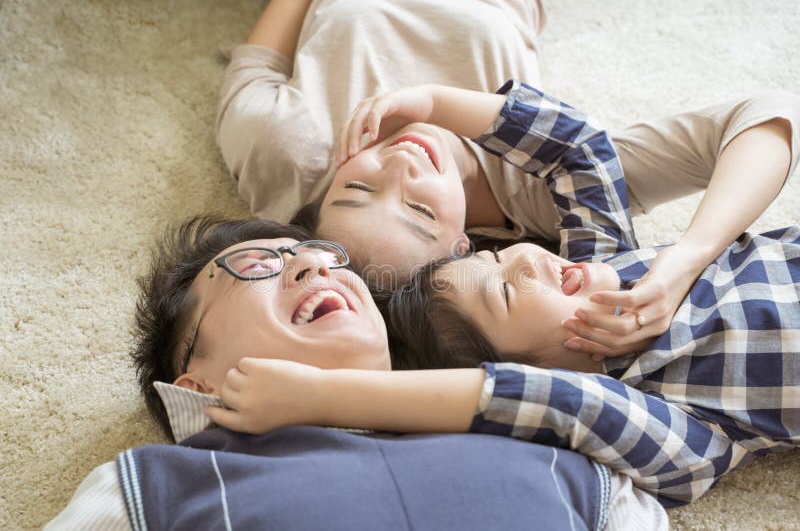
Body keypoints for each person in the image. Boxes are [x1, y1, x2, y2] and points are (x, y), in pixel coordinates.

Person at [200, 82, 800, 508]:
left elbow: (580, 149)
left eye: (498, 256)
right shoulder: (666, 413)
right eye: (509, 293)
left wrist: (434, 101)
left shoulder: (597, 262)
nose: (533, 257)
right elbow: (552, 402)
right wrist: (326, 396)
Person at [217, 0, 800, 357]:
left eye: (359, 186)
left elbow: (255, 63)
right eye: (420, 211)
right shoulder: (546, 190)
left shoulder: (295, 157)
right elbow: (766, 115)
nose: (401, 163)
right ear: (463, 249)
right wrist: (686, 260)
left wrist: (430, 100)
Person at [45, 216, 668, 530]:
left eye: (317, 253)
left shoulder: (549, 435)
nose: (312, 264)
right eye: (258, 265)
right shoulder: (154, 488)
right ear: (198, 384)